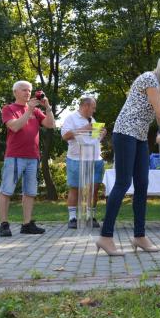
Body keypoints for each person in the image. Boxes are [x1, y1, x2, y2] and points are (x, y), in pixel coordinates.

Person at [96, 50, 160, 256]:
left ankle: (140, 236)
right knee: (123, 183)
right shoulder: (149, 78)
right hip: (125, 134)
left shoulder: (158, 86)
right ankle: (105, 236)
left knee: (143, 185)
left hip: (140, 138)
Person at [0, 81, 55, 237]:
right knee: (6, 191)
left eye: (29, 90)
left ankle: (27, 224)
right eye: (24, 90)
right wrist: (29, 109)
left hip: (32, 157)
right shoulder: (8, 109)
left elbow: (51, 124)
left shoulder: (36, 111)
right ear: (15, 92)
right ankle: (4, 225)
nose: (28, 93)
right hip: (15, 156)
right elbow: (15, 127)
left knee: (30, 192)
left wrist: (47, 106)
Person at [61, 97, 106, 229]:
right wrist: (85, 128)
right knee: (75, 188)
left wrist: (101, 135)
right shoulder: (71, 118)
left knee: (94, 189)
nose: (94, 110)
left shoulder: (93, 120)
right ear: (85, 106)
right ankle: (73, 218)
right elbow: (65, 136)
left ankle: (90, 217)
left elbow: (93, 140)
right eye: (93, 107)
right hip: (76, 159)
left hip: (95, 158)